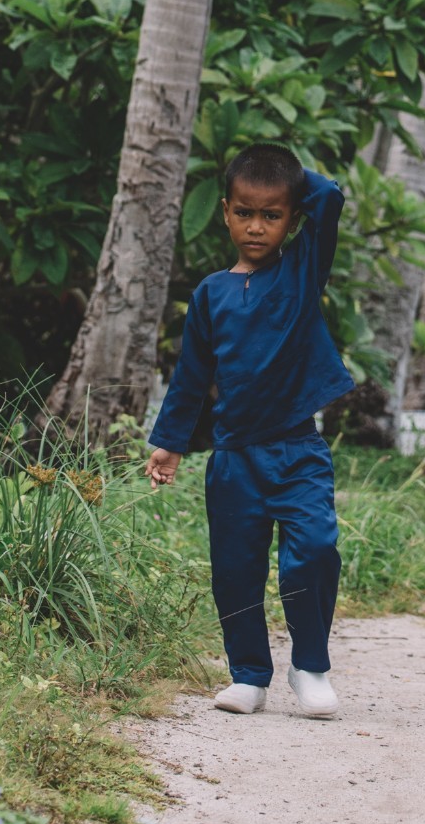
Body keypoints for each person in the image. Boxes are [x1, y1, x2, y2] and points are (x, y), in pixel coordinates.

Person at [144, 143, 354, 717]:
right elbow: (191, 376)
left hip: (297, 452)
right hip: (234, 460)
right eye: (244, 212)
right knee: (235, 569)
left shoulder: (302, 271)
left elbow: (329, 196)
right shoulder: (211, 293)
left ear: (291, 218)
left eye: (272, 214)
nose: (256, 226)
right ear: (225, 211)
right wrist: (170, 443)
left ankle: (309, 668)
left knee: (312, 552)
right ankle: (249, 675)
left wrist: (280, 171)